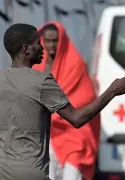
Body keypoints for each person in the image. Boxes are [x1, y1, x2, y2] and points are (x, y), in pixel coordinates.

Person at [0, 23, 125, 180]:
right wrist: (112, 91)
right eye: (39, 43)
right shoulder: (42, 81)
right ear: (26, 49)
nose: (43, 48)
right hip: (30, 172)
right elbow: (76, 119)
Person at [33, 21, 100, 180]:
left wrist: (58, 114)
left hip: (72, 132)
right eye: (47, 40)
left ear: (62, 40)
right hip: (45, 134)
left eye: (55, 40)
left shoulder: (75, 64)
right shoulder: (35, 66)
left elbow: (86, 97)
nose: (51, 45)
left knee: (72, 174)